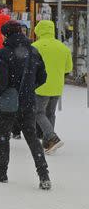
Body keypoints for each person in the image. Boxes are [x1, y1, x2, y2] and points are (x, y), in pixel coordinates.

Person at [0, 21, 51, 190]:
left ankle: (1, 172)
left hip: (8, 102)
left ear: (6, 35)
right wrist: (28, 88)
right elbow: (43, 77)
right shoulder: (34, 51)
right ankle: (44, 175)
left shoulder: (4, 53)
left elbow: (1, 81)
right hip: (28, 102)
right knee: (32, 137)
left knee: (3, 136)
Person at [31, 20, 72, 153]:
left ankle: (52, 138)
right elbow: (68, 68)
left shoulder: (35, 46)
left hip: (41, 86)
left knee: (38, 113)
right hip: (56, 86)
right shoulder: (63, 47)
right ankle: (48, 144)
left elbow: (31, 68)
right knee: (50, 113)